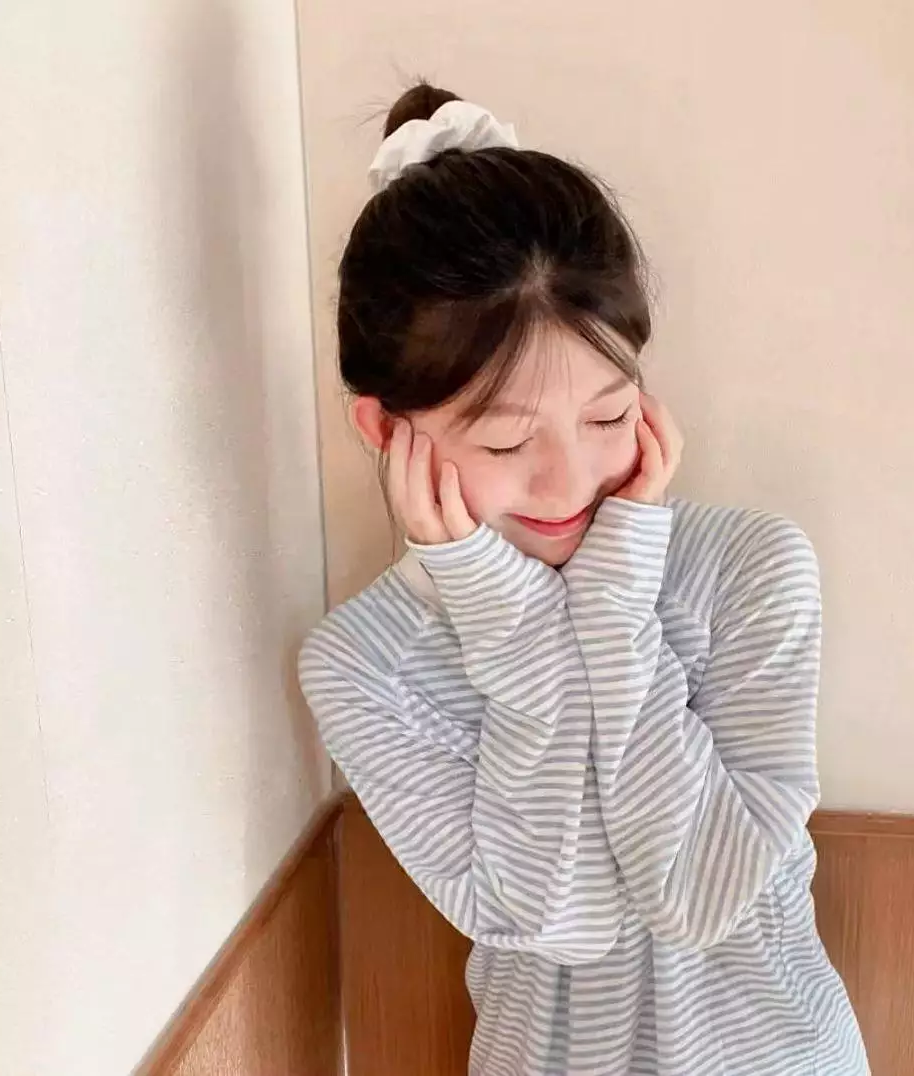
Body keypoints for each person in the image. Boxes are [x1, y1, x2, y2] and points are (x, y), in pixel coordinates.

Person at [299, 82, 869, 1076]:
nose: (570, 482)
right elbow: (562, 918)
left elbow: (700, 895)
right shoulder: (363, 665)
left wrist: (614, 600)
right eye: (506, 439)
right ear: (387, 430)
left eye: (607, 417)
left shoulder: (749, 572)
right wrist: (512, 622)